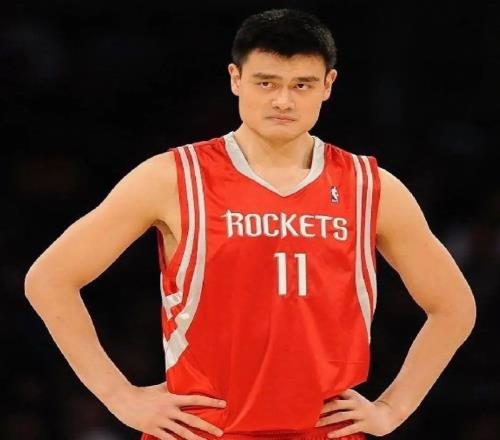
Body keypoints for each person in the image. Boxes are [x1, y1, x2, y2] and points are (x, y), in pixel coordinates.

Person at [24, 8, 476, 440]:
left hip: (324, 429)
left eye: (302, 85)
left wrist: (393, 408)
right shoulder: (172, 177)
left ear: (328, 85)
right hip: (203, 430)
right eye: (266, 82)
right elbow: (49, 279)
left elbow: (454, 306)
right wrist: (119, 397)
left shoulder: (370, 186)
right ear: (235, 79)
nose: (283, 100)